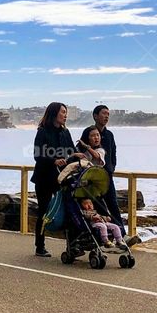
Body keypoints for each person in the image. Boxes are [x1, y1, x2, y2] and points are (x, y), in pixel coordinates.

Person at [30, 102, 80, 257]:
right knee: (44, 211)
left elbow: (71, 151)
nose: (65, 115)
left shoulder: (65, 132)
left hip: (62, 177)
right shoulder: (43, 131)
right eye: (63, 112)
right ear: (54, 113)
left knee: (69, 209)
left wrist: (77, 156)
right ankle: (40, 246)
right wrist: (53, 160)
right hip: (44, 177)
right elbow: (37, 155)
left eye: (66, 112)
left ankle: (72, 246)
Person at [80, 105, 125, 237]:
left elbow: (113, 154)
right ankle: (100, 236)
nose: (106, 116)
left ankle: (122, 234)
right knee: (98, 207)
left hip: (106, 177)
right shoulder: (88, 132)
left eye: (108, 114)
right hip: (92, 180)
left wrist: (111, 168)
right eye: (104, 113)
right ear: (95, 116)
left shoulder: (109, 135)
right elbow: (81, 152)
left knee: (113, 205)